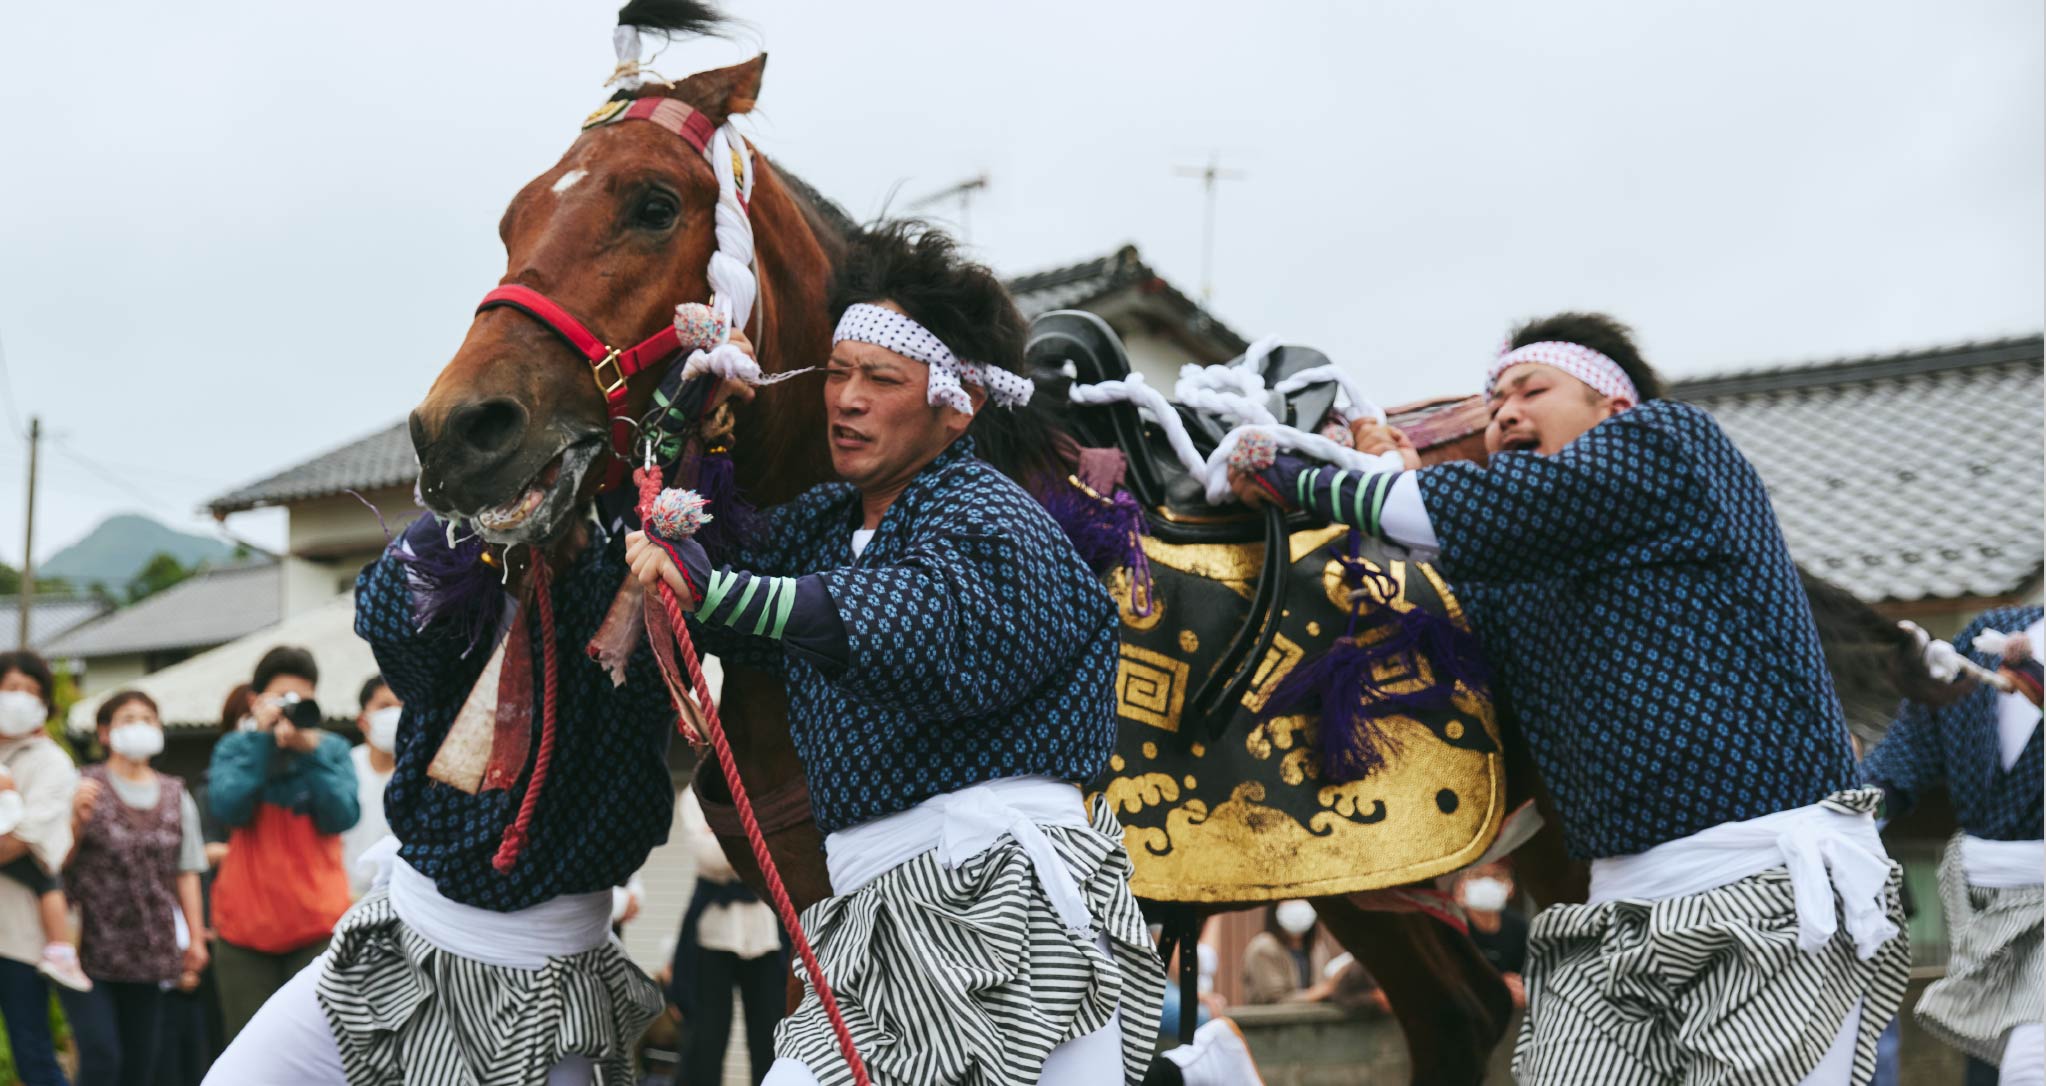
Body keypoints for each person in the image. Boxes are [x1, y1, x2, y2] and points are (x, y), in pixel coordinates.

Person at [1227, 313, 1908, 1085]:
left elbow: (1460, 509)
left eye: (1531, 389)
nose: (1504, 411)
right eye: (1494, 402)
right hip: (1613, 901)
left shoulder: (1671, 442)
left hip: (1765, 888)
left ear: (1613, 407)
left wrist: (1300, 476)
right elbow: (1426, 547)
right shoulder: (1513, 573)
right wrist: (1386, 490)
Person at [626, 222, 1164, 1085]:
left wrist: (716, 590)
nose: (845, 399)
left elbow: (900, 625)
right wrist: (690, 428)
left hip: (1006, 907)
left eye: (881, 379)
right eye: (838, 374)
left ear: (959, 403)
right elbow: (720, 603)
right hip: (866, 917)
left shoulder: (995, 519)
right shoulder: (826, 524)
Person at [204, 502, 680, 1083]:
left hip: (548, 973)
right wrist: (464, 498)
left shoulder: (635, 554)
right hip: (406, 927)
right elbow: (387, 622)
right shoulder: (458, 563)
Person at [1861, 607, 2044, 1085]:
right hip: (1981, 909)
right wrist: (1850, 809)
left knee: (2030, 1061)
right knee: (1987, 1057)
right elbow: (1906, 757)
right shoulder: (1984, 640)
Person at [204, 646, 358, 1042]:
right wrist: (261, 742)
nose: (292, 708)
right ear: (255, 701)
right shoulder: (235, 749)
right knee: (250, 1050)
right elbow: (228, 808)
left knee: (320, 1050)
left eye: (302, 700)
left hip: (318, 926)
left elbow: (342, 816)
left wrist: (310, 753)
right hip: (243, 932)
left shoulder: (331, 750)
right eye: (281, 699)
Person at [59, 691, 210, 1086]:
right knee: (101, 1057)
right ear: (105, 732)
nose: (139, 725)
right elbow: (56, 862)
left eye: (147, 718)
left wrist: (195, 938)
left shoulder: (177, 793)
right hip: (87, 948)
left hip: (151, 947)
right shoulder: (82, 786)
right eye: (128, 718)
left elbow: (187, 870)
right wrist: (75, 822)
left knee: (140, 1065)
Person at [0, 650, 81, 1085]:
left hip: (19, 938)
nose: (19, 699)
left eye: (32, 692)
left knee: (33, 1053)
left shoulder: (51, 762)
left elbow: (27, 838)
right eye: (11, 687)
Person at [670, 786, 784, 1085]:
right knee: (705, 1040)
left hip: (765, 931)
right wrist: (754, 835)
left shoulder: (760, 786)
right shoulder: (697, 796)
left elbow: (776, 847)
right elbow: (708, 856)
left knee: (772, 1039)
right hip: (711, 930)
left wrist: (724, 835)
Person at [340, 676, 401, 897]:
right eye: (384, 706)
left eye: (401, 707)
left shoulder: (417, 777)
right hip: (344, 895)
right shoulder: (345, 766)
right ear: (363, 720)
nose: (395, 715)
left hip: (396, 898)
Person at [1456, 862, 1528, 1010]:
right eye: (1477, 875)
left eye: (1497, 876)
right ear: (1461, 884)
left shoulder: (1520, 928)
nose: (1487, 883)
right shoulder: (1451, 928)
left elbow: (1534, 977)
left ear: (1511, 887)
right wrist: (1496, 987)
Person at [1242, 901, 1319, 1004]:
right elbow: (1275, 1000)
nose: (1296, 904)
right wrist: (1317, 994)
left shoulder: (1317, 948)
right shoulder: (1264, 948)